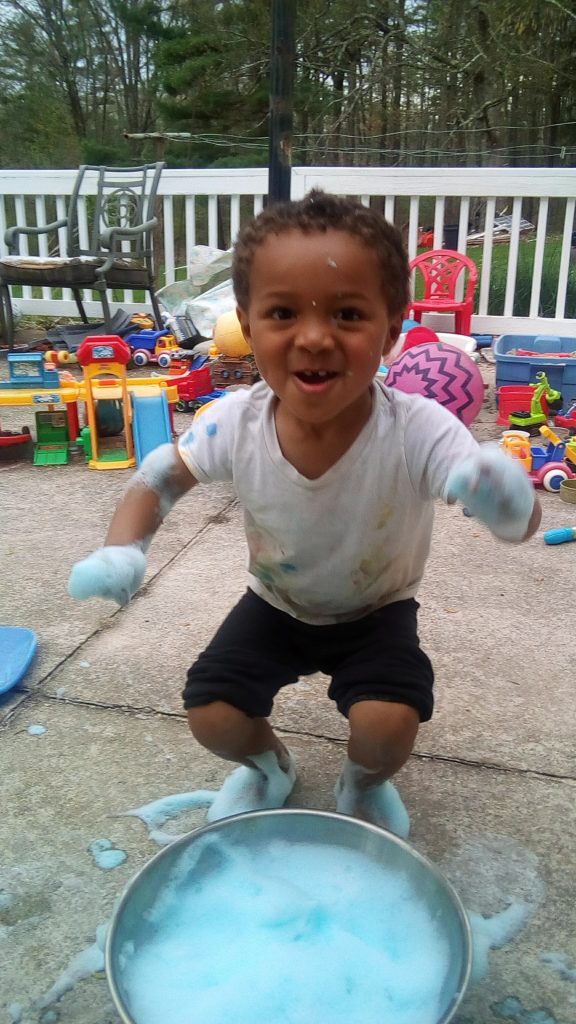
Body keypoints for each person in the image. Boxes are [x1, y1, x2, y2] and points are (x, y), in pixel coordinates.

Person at [68, 190, 541, 837]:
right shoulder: (236, 422)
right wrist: (122, 550)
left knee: (388, 724)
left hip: (377, 610)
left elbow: (521, 526)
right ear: (246, 322)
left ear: (393, 327)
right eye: (284, 312)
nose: (315, 337)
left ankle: (363, 782)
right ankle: (271, 767)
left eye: (348, 313)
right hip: (276, 604)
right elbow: (158, 478)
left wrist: (506, 502)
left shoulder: (420, 431)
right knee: (212, 713)